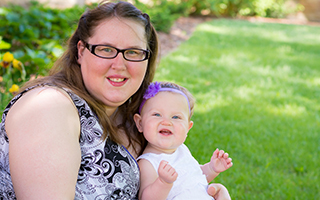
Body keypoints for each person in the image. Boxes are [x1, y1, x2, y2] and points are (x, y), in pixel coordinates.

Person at [0, 1, 159, 199]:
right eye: (106, 49)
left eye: (133, 52)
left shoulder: (135, 121)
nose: (119, 64)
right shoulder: (49, 107)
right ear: (81, 51)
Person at [134, 81, 233, 200]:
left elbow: (193, 178)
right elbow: (146, 198)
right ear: (140, 123)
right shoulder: (148, 162)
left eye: (176, 117)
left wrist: (212, 169)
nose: (166, 122)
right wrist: (163, 183)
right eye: (157, 114)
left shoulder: (182, 149)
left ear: (188, 127)